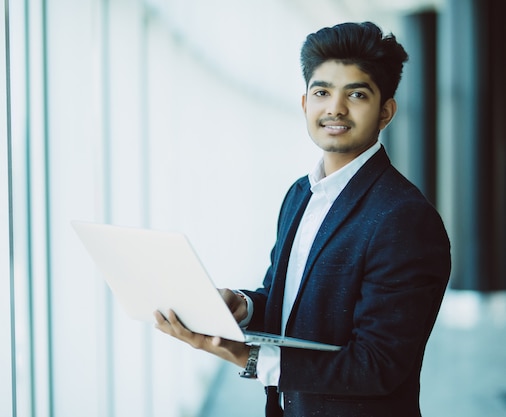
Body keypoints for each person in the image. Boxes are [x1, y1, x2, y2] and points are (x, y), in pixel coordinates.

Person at [154, 21, 451, 417]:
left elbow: (378, 366)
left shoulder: (404, 219)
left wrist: (248, 356)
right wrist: (241, 307)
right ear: (305, 104)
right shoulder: (300, 194)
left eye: (356, 95)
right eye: (322, 92)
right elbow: (286, 302)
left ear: (386, 112)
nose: (335, 108)